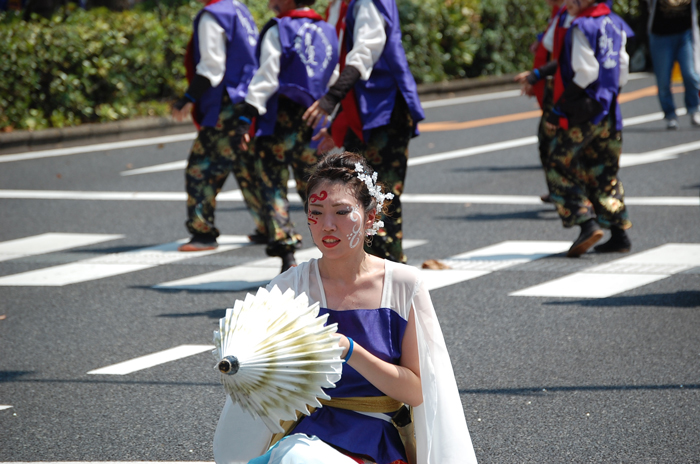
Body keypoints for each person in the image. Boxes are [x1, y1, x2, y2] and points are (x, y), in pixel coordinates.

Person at [212, 152, 477, 464]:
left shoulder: (404, 285)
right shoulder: (288, 287)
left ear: (370, 217)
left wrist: (350, 350)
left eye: (341, 212)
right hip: (306, 430)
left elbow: (418, 392)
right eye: (316, 211)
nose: (327, 225)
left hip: (376, 435)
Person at [302, 0, 425, 265]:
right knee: (359, 190)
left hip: (385, 109)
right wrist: (334, 119)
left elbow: (364, 52)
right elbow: (340, 64)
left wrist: (331, 98)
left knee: (382, 194)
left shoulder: (367, 3)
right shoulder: (344, 6)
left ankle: (391, 268)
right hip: (360, 110)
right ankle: (369, 268)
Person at [234, 0, 339, 273]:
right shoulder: (327, 29)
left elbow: (267, 75)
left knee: (273, 186)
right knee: (315, 188)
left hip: (278, 120)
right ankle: (331, 248)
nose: (270, 3)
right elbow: (333, 76)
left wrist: (246, 117)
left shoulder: (279, 28)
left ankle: (287, 254)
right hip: (314, 118)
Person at [172, 0, 266, 251]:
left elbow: (212, 66)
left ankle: (203, 233)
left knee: (201, 169)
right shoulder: (240, 9)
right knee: (247, 167)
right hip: (248, 100)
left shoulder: (213, 14)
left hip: (226, 104)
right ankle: (271, 226)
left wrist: (187, 98)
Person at [544, 0, 633, 257]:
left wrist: (561, 105)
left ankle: (585, 221)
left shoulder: (582, 26)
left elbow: (586, 71)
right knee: (604, 172)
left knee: (558, 163)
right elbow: (623, 70)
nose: (569, 2)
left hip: (584, 113)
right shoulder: (615, 23)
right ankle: (619, 234)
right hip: (610, 112)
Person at [515, 0, 568, 204]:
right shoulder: (561, 12)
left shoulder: (577, 16)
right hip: (554, 84)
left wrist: (536, 75)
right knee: (548, 141)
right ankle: (561, 192)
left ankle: (576, 200)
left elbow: (567, 59)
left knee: (562, 144)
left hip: (568, 90)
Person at [645, 0, 700, 129]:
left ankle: (694, 108)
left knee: (691, 74)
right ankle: (670, 115)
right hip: (660, 35)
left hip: (685, 34)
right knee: (663, 80)